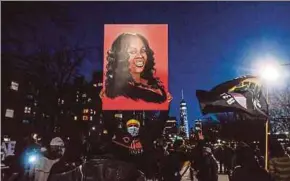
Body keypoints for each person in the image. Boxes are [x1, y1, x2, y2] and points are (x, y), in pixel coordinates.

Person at [100, 32, 172, 103]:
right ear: (120, 57)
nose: (140, 56)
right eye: (132, 52)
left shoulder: (153, 83)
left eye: (143, 50)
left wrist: (167, 100)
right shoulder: (118, 91)